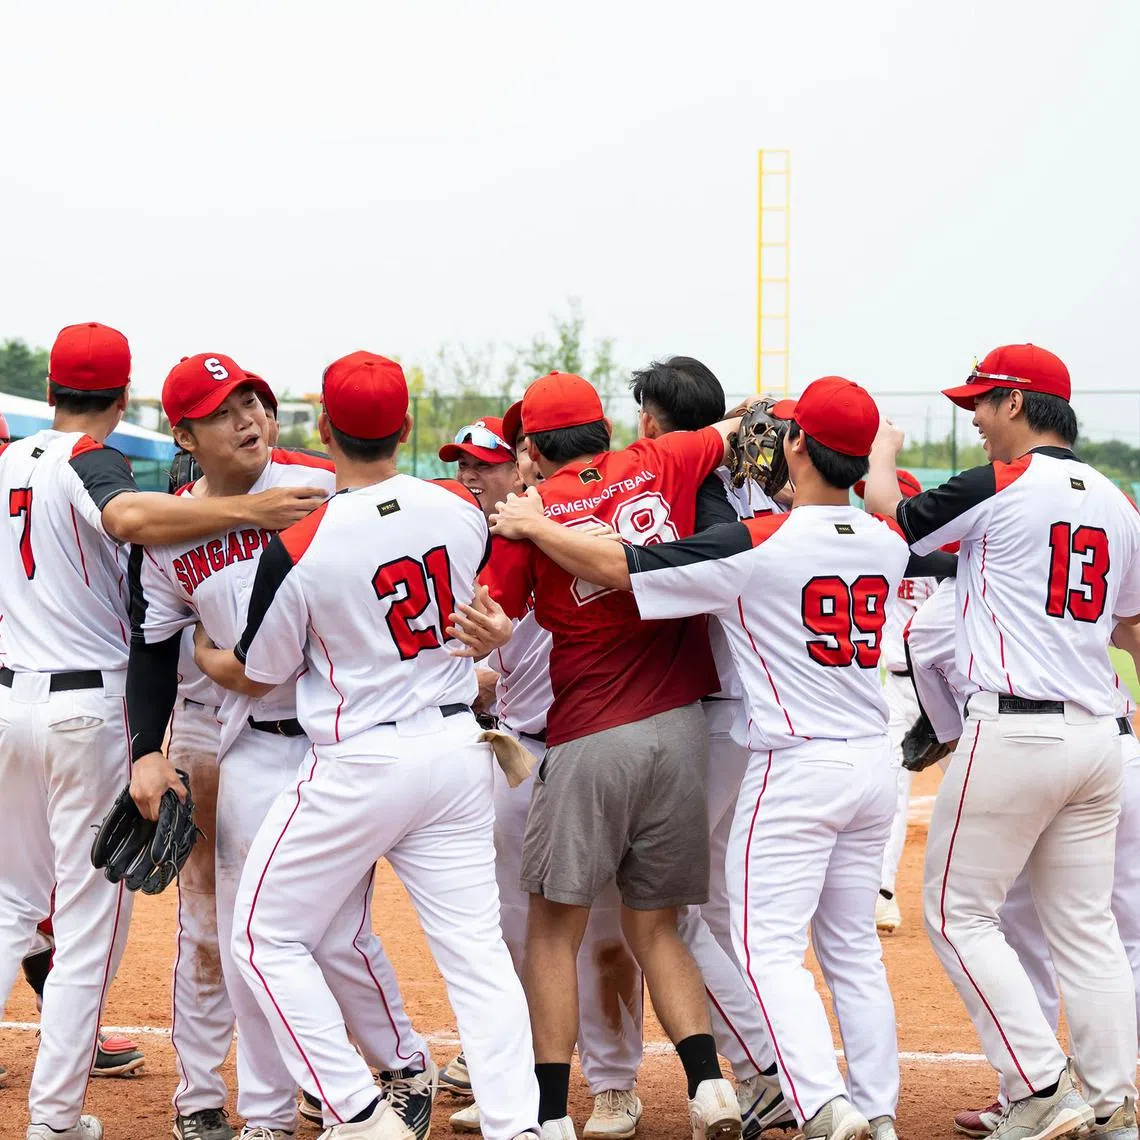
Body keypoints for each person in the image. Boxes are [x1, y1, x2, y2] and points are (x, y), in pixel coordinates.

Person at [491, 376, 918, 1140]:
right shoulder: (888, 541)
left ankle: (815, 1101)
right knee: (848, 949)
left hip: (783, 761)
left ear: (794, 447)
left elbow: (627, 568)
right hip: (866, 762)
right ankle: (871, 1110)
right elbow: (724, 466)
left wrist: (534, 521)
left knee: (758, 945)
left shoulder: (760, 545)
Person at [203, 352, 540, 1140]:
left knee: (261, 937)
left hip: (360, 760)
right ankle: (518, 1125)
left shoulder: (303, 541)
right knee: (476, 956)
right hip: (458, 751)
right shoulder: (458, 507)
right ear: (407, 427)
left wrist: (207, 659)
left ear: (323, 430)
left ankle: (357, 1110)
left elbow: (263, 670)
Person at [0, 322, 323, 1140]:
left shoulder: (8, 462)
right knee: (86, 931)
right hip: (86, 713)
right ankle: (54, 1120)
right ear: (123, 394)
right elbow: (131, 518)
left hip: (12, 701)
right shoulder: (87, 458)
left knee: (9, 908)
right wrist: (249, 509)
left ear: (48, 391)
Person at [127, 353, 433, 1140]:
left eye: (254, 401)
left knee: (327, 931)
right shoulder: (169, 528)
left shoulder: (320, 486)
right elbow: (154, 646)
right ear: (184, 432)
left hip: (337, 739)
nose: (249, 419)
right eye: (224, 411)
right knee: (220, 930)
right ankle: (222, 1103)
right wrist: (145, 749)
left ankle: (394, 1067)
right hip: (223, 741)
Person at [865, 343, 1140, 1140]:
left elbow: (891, 516)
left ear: (1017, 403)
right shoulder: (1119, 503)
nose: (977, 420)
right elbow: (1130, 621)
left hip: (1015, 730)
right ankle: (1115, 1103)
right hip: (1098, 732)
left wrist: (883, 453)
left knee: (955, 912)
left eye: (982, 404)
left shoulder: (1007, 481)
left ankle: (1036, 1084)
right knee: (1085, 925)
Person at [481, 371, 748, 1140]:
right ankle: (708, 1087)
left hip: (592, 731)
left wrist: (523, 524)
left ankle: (545, 1111)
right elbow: (730, 428)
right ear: (609, 427)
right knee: (657, 926)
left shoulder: (526, 519)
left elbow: (492, 617)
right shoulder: (659, 459)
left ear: (532, 446)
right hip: (682, 728)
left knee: (554, 932)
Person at [440, 416, 649, 1140]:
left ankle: (618, 1085)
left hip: (596, 749)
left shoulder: (576, 533)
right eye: (464, 465)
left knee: (605, 935)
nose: (474, 477)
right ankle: (519, 1080)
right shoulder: (481, 546)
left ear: (526, 465)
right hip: (517, 754)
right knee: (512, 929)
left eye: (488, 464)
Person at [630, 356, 793, 1134]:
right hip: (747, 716)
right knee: (717, 904)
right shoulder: (751, 486)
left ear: (657, 425)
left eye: (644, 419)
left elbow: (684, 566)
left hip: (725, 715)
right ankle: (777, 1068)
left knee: (676, 909)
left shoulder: (699, 494)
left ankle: (767, 1068)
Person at [852, 471, 935, 935]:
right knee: (892, 791)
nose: (871, 509)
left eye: (880, 500)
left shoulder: (943, 553)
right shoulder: (868, 553)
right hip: (897, 690)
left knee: (982, 785)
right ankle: (881, 895)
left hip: (947, 689)